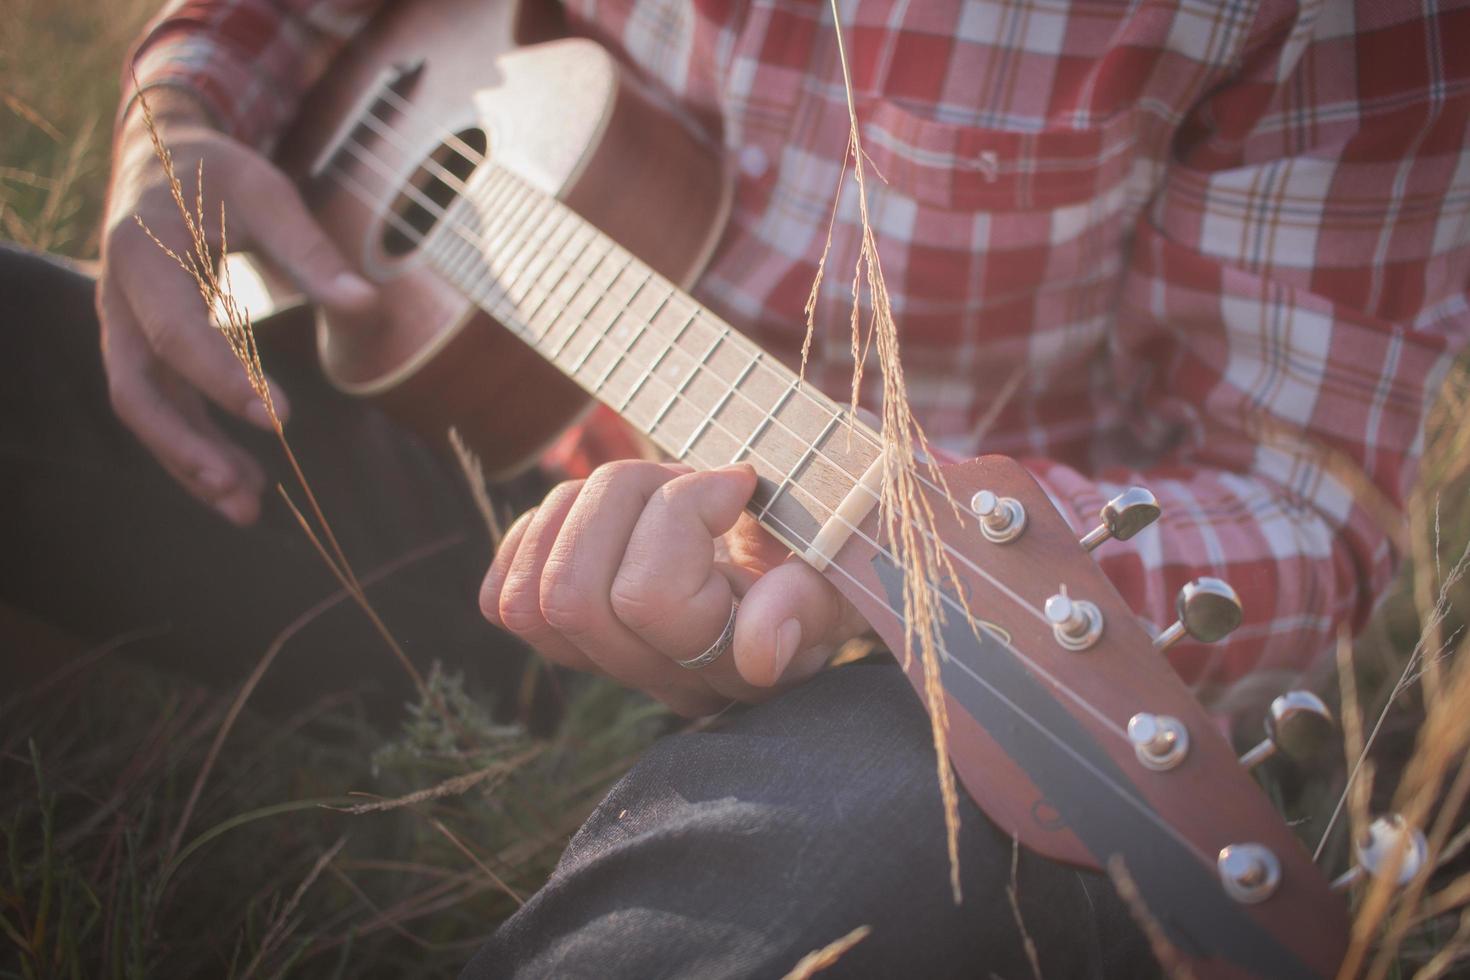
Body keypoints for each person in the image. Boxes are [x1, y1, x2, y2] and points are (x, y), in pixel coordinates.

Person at [23, 0, 1470, 974]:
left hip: (911, 645)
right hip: (462, 429)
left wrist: (874, 566)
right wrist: (185, 118)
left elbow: (1299, 498)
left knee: (851, 861)